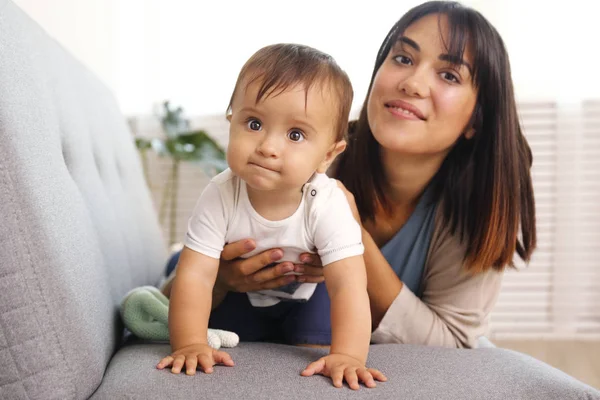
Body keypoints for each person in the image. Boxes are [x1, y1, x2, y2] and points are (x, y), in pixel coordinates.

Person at [201, 0, 537, 350]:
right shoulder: (302, 154)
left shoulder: (478, 206)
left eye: (449, 75)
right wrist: (221, 281)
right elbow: (176, 290)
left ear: (476, 120)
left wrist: (350, 234)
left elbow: (452, 346)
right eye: (403, 58)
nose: (412, 83)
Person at [157, 43, 386, 390]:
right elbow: (197, 277)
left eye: (295, 134)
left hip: (308, 295)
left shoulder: (327, 202)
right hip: (240, 294)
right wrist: (189, 343)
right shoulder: (220, 194)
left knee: (319, 341)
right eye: (254, 123)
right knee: (220, 328)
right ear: (231, 120)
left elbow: (348, 286)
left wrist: (350, 356)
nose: (267, 146)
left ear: (327, 155)